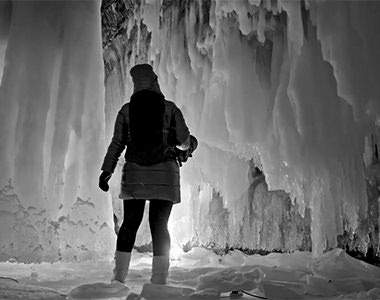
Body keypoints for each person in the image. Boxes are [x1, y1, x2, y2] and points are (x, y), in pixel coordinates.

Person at [99, 64, 196, 286]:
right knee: (159, 226)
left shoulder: (126, 110)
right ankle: (159, 281)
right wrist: (187, 145)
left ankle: (118, 279)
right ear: (155, 81)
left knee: (129, 224)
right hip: (165, 178)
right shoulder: (170, 108)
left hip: (135, 176)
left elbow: (117, 144)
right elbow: (183, 142)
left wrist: (107, 170)